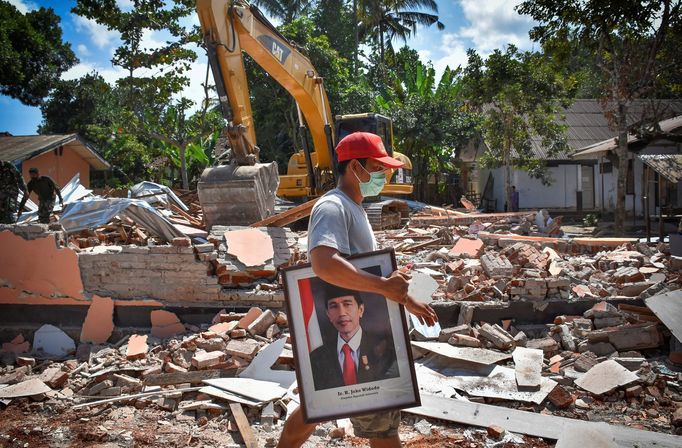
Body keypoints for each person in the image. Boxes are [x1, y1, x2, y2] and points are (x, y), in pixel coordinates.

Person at [277, 132, 438, 448]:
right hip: (356, 342)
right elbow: (324, 263)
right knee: (382, 428)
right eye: (377, 167)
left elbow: (362, 272)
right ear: (355, 168)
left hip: (356, 338)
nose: (384, 174)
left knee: (317, 407)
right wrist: (384, 288)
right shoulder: (333, 207)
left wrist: (407, 299)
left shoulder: (355, 208)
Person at [309, 284, 398, 391]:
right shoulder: (317, 358)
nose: (341, 313)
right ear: (328, 315)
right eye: (334, 306)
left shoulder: (384, 349)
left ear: (360, 310)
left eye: (347, 304)